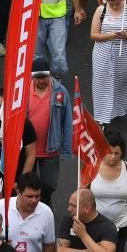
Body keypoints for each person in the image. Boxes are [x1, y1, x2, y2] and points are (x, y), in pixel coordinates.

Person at [89, 0, 127, 126]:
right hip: (103, 52)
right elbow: (93, 34)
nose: (115, 6)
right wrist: (110, 36)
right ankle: (101, 115)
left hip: (124, 53)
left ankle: (116, 111)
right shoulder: (101, 9)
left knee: (121, 81)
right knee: (101, 83)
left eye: (117, 3)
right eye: (112, 3)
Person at [26, 58, 73, 204]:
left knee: (50, 184)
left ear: (50, 74)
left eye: (43, 77)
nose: (40, 81)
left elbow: (67, 121)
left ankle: (45, 205)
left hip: (50, 149)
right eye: (37, 77)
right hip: (28, 149)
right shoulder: (22, 91)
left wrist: (66, 149)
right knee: (27, 185)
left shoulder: (60, 92)